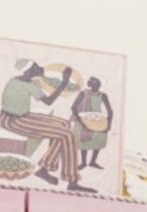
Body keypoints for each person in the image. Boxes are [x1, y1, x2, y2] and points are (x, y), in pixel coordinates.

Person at [0, 60, 94, 193]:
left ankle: (45, 168)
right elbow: (48, 101)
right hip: (13, 121)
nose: (40, 67)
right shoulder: (23, 84)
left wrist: (56, 80)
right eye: (36, 67)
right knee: (66, 134)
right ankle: (72, 181)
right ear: (29, 71)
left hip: (21, 116)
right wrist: (64, 82)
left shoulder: (25, 81)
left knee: (64, 124)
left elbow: (45, 83)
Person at [71, 76, 113, 170]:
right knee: (84, 141)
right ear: (90, 85)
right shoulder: (83, 93)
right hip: (84, 119)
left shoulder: (102, 95)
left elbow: (110, 110)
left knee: (99, 138)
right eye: (94, 85)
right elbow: (73, 107)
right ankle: (83, 163)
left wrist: (108, 124)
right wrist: (81, 121)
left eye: (98, 85)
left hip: (97, 119)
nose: (96, 87)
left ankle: (93, 161)